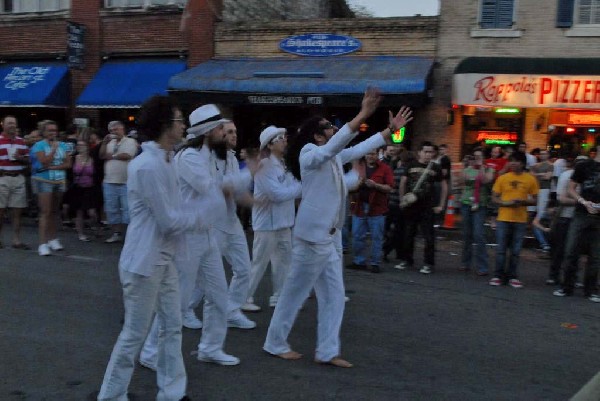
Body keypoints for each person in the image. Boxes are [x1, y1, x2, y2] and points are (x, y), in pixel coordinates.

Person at [263, 88, 412, 368]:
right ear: (317, 136)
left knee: (334, 297)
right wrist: (363, 114)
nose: (334, 130)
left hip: (328, 239)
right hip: (311, 239)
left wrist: (389, 131)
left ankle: (327, 351)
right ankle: (274, 343)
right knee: (294, 294)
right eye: (329, 128)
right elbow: (337, 146)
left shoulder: (329, 156)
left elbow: (355, 149)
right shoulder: (310, 154)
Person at [97, 95, 197, 401]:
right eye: (180, 120)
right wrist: (204, 214)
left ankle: (172, 392)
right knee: (135, 334)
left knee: (172, 325)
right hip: (143, 262)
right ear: (166, 125)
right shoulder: (148, 165)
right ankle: (111, 395)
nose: (184, 126)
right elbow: (168, 220)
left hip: (163, 259)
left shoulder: (167, 159)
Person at [140, 105, 244, 370]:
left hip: (208, 233)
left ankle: (210, 348)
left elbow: (227, 187)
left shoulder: (219, 155)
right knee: (179, 300)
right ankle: (151, 351)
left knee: (219, 294)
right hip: (187, 237)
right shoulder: (188, 157)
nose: (225, 132)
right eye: (221, 127)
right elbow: (211, 188)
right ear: (209, 131)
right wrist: (250, 174)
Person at [244, 125, 302, 311]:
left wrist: (293, 189)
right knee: (259, 263)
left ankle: (279, 296)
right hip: (266, 224)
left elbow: (288, 189)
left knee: (284, 262)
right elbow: (276, 194)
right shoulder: (264, 166)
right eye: (280, 138)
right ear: (269, 145)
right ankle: (243, 298)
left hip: (284, 222)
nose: (285, 140)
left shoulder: (286, 163)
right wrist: (300, 189)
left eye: (284, 137)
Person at [553, 136, 600, 303]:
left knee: (596, 256)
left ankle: (591, 290)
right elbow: (571, 188)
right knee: (571, 250)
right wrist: (582, 201)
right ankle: (567, 287)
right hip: (581, 212)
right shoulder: (584, 166)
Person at [396, 141, 447, 274]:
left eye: (431, 152)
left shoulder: (435, 167)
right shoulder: (410, 165)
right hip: (411, 206)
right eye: (425, 151)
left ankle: (428, 263)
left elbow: (444, 186)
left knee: (429, 236)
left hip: (427, 207)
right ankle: (407, 260)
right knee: (408, 234)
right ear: (419, 152)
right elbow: (403, 182)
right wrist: (402, 199)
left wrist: (441, 204)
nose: (428, 154)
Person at [489, 151, 539, 288]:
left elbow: (535, 200)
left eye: (516, 161)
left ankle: (512, 276)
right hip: (503, 218)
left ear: (522, 163)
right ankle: (498, 275)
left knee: (516, 251)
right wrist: (504, 203)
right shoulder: (503, 178)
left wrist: (522, 202)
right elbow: (494, 196)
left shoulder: (530, 179)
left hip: (520, 220)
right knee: (501, 249)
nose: (513, 163)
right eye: (511, 161)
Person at [30, 121, 72, 256]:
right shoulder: (39, 145)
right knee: (45, 211)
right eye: (50, 130)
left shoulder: (63, 145)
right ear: (44, 132)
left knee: (54, 211)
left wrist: (53, 167)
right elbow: (44, 161)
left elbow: (68, 163)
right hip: (43, 180)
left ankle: (53, 239)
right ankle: (42, 243)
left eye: (55, 130)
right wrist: (53, 149)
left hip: (59, 179)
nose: (53, 133)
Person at [348, 149, 393, 273]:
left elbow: (389, 187)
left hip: (377, 208)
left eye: (373, 154)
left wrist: (376, 185)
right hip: (359, 207)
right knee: (357, 236)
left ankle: (375, 263)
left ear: (378, 154)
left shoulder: (385, 168)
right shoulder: (358, 167)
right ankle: (359, 261)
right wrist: (357, 184)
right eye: (368, 153)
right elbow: (349, 186)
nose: (370, 156)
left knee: (376, 237)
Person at [99, 121, 138, 243]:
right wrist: (104, 143)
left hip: (126, 181)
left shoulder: (130, 141)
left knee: (127, 209)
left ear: (122, 129)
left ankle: (130, 235)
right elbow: (101, 155)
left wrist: (112, 156)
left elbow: (127, 155)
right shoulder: (109, 142)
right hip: (109, 181)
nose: (114, 132)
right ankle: (117, 233)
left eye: (116, 129)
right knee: (112, 209)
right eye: (111, 130)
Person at [459, 148, 494, 275]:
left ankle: (482, 266)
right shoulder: (467, 169)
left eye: (479, 156)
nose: (477, 159)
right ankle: (465, 262)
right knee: (467, 234)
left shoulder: (489, 169)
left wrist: (481, 168)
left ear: (484, 157)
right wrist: (466, 166)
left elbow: (485, 180)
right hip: (466, 203)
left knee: (479, 235)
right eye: (474, 157)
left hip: (480, 204)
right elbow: (461, 181)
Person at [0, 115, 30, 249]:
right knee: (0, 211)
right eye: (9, 123)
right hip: (3, 177)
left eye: (14, 123)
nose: (12, 125)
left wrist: (20, 157)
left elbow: (28, 160)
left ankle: (16, 240)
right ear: (3, 125)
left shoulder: (21, 141)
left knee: (17, 211)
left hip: (18, 177)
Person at [70, 140, 98, 242]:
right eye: (78, 145)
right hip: (78, 187)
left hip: (90, 188)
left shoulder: (92, 159)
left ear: (87, 147)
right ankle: (81, 234)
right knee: (79, 212)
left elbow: (97, 173)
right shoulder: (74, 158)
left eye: (82, 145)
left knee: (92, 213)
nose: (79, 147)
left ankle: (94, 226)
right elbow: (70, 172)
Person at [530, 149, 553, 251]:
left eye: (544, 154)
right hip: (535, 190)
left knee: (539, 215)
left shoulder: (550, 165)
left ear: (548, 155)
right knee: (532, 213)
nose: (542, 155)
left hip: (544, 190)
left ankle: (544, 243)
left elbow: (548, 177)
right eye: (541, 154)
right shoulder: (536, 165)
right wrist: (542, 175)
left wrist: (537, 175)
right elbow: (531, 176)